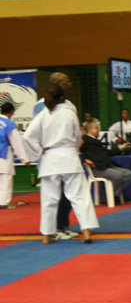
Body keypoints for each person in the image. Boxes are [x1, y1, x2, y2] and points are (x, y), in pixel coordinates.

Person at [23, 82, 99, 244]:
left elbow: (27, 136)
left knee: (49, 200)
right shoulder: (69, 113)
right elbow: (78, 137)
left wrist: (38, 151)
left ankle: (46, 235)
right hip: (69, 157)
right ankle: (86, 231)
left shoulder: (42, 115)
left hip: (50, 159)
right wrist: (74, 148)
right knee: (79, 196)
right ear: (62, 98)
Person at [32, 72, 79, 239]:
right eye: (66, 82)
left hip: (68, 155)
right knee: (53, 197)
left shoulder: (70, 106)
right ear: (58, 84)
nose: (69, 85)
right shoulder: (41, 106)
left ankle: (63, 225)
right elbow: (36, 132)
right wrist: (39, 151)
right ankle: (53, 229)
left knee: (68, 196)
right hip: (50, 157)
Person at [80, 121, 131, 202]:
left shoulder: (96, 141)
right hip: (98, 169)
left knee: (129, 174)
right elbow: (79, 152)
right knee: (118, 176)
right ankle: (112, 196)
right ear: (90, 130)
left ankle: (112, 194)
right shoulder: (85, 139)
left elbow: (108, 152)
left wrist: (122, 147)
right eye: (96, 128)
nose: (99, 130)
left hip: (107, 166)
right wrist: (84, 159)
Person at [0, 103, 31, 209]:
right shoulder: (9, 125)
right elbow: (16, 143)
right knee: (5, 179)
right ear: (11, 112)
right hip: (3, 155)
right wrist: (25, 159)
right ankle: (3, 203)